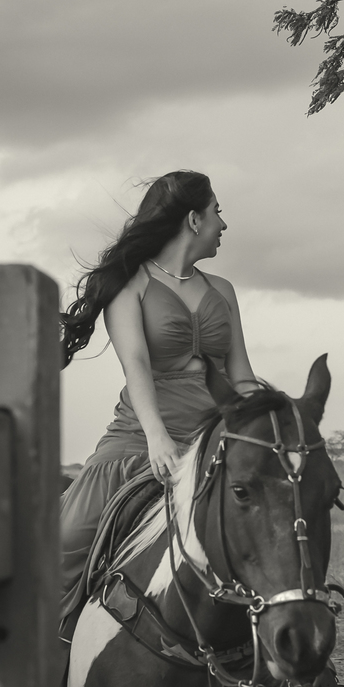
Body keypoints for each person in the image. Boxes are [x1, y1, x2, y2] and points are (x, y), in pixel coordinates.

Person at [58, 170, 262, 632]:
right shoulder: (131, 285)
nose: (223, 225)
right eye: (217, 213)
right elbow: (136, 367)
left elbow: (242, 377)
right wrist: (157, 438)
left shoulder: (223, 291)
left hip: (214, 436)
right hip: (141, 436)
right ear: (194, 219)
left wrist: (271, 426)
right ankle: (51, 650)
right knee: (63, 542)